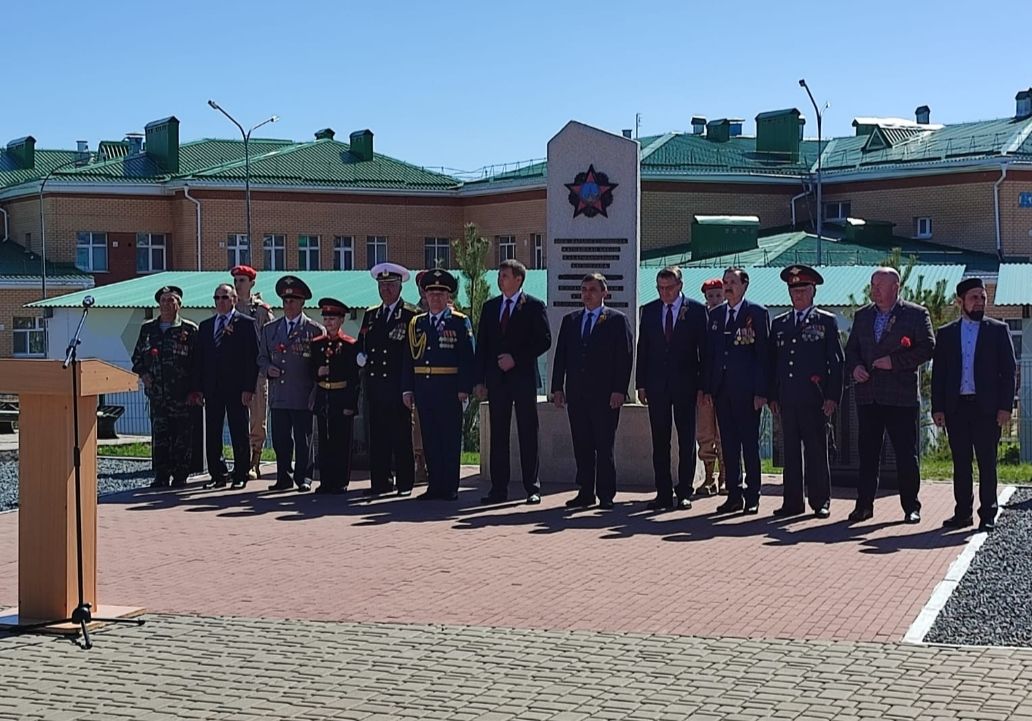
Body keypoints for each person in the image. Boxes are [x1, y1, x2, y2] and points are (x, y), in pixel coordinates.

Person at [844, 267, 935, 524]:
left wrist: (894, 362)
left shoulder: (915, 315)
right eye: (873, 286)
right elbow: (851, 350)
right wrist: (856, 367)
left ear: (896, 287)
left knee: (906, 455)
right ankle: (863, 506)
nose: (875, 291)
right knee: (868, 454)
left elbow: (927, 348)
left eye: (880, 286)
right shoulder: (863, 316)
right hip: (869, 395)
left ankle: (911, 507)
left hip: (900, 397)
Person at [932, 277, 1016, 532]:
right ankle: (962, 513)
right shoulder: (946, 334)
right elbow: (940, 374)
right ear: (960, 302)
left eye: (983, 297)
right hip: (957, 408)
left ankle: (988, 513)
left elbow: (1009, 372)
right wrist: (938, 408)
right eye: (974, 298)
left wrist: (1005, 407)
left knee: (987, 463)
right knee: (961, 463)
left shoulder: (997, 330)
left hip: (987, 410)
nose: (979, 302)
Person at [551, 273, 633, 510]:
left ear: (604, 293)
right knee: (582, 444)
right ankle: (585, 491)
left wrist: (619, 390)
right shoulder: (571, 320)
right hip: (577, 394)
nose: (587, 294)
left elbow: (624, 358)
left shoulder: (617, 320)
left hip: (606, 396)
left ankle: (606, 493)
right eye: (584, 289)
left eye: (593, 290)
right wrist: (557, 387)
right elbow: (561, 357)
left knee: (604, 445)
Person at [768, 265, 844, 518]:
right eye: (793, 290)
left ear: (813, 292)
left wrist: (832, 396)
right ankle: (792, 502)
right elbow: (773, 363)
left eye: (802, 290)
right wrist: (773, 395)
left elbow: (836, 362)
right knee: (790, 453)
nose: (797, 295)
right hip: (787, 398)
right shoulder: (780, 323)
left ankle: (820, 501)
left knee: (816, 451)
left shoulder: (825, 321)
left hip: (815, 398)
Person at [474, 259, 552, 505]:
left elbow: (544, 340)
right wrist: (479, 380)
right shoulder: (490, 307)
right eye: (499, 275)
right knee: (498, 434)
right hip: (497, 381)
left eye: (505, 275)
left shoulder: (533, 306)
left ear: (518, 279)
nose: (500, 280)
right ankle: (498, 489)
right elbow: (482, 346)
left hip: (523, 379)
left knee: (528, 432)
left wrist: (515, 359)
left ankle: (532, 487)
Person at [635, 266, 707, 511]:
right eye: (660, 288)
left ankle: (684, 491)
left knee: (686, 440)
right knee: (660, 440)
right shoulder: (650, 310)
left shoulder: (696, 311)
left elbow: (704, 352)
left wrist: (703, 386)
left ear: (680, 286)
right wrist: (641, 384)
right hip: (657, 386)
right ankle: (663, 492)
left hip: (686, 385)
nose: (665, 293)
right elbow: (643, 348)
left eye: (669, 288)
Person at [402, 269, 476, 501]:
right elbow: (408, 359)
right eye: (431, 294)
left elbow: (468, 358)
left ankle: (450, 486)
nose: (435, 298)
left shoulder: (459, 321)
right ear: (425, 296)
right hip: (424, 388)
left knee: (450, 438)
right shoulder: (417, 323)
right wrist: (407, 388)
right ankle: (434, 485)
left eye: (440, 294)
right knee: (430, 438)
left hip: (449, 388)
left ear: (447, 297)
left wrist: (464, 388)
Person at [703, 267, 770, 515]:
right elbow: (710, 354)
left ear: (744, 285)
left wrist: (762, 391)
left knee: (749, 446)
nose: (727, 286)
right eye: (725, 282)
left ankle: (752, 496)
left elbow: (764, 355)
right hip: (722, 391)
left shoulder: (756, 313)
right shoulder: (717, 314)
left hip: (748, 393)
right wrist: (708, 388)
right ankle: (734, 493)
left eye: (732, 282)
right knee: (728, 445)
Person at [190, 283, 259, 489]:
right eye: (217, 298)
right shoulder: (206, 326)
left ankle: (240, 473)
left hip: (237, 389)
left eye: (225, 297)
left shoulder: (246, 323)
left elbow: (252, 358)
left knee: (239, 431)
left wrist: (249, 388)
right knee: (213, 432)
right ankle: (217, 475)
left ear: (235, 300)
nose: (221, 301)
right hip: (212, 389)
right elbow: (199, 360)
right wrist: (198, 388)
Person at [359, 262, 419, 496]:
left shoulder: (411, 315)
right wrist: (360, 356)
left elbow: (413, 353)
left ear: (400, 287)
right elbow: (362, 343)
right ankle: (380, 482)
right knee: (378, 436)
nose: (386, 290)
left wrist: (409, 387)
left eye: (390, 285)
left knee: (401, 435)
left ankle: (405, 482)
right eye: (382, 286)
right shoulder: (371, 314)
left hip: (398, 385)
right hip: (375, 385)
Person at [258, 275, 323, 493]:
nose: (289, 305)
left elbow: (319, 365)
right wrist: (267, 369)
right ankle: (283, 476)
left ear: (302, 302)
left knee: (304, 440)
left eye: (293, 300)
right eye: (285, 301)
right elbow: (262, 357)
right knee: (281, 440)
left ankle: (304, 477)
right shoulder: (270, 329)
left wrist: (316, 392)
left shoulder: (313, 330)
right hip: (279, 395)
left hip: (303, 394)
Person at [131, 285, 199, 489]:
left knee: (182, 437)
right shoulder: (148, 329)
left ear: (179, 304)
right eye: (163, 301)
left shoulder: (189, 329)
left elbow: (197, 363)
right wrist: (144, 375)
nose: (166, 305)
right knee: (160, 436)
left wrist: (194, 390)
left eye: (171, 301)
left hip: (182, 395)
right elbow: (137, 357)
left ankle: (180, 476)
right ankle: (161, 475)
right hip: (158, 395)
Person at [310, 297, 362, 495]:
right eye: (326, 318)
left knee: (341, 440)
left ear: (341, 320)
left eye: (333, 318)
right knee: (323, 439)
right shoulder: (317, 344)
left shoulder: (350, 345)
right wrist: (318, 373)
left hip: (341, 395)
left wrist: (351, 403)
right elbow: (310, 371)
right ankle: (325, 480)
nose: (329, 322)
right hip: (324, 395)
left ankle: (340, 481)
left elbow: (354, 378)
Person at [231, 265, 276, 481]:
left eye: (242, 281)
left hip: (257, 371)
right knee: (237, 417)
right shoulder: (228, 307)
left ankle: (255, 461)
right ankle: (240, 459)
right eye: (236, 280)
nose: (238, 285)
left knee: (257, 417)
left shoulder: (260, 310)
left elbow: (272, 337)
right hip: (234, 372)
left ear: (251, 284)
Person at [695, 278, 728, 497]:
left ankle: (726, 476)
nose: (714, 300)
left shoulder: (730, 317)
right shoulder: (699, 319)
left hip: (726, 386)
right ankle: (708, 476)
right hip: (703, 386)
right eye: (710, 296)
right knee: (705, 432)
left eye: (718, 295)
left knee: (724, 433)